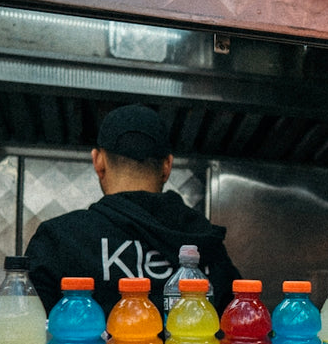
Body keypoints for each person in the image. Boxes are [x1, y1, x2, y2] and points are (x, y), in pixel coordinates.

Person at [26, 104, 241, 316]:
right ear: (167, 166)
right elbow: (239, 327)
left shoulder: (56, 239)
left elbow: (28, 338)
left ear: (99, 162)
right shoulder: (206, 243)